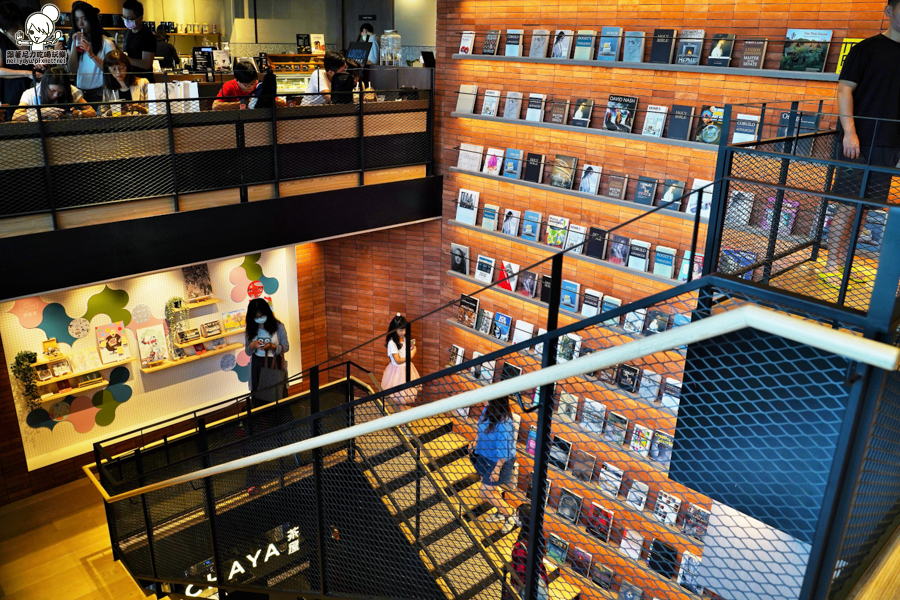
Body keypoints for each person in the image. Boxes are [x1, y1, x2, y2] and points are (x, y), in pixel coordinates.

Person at [820, 0, 900, 287]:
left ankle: (843, 265)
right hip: (858, 142)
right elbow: (844, 89)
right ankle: (830, 264)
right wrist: (850, 132)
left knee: (865, 207)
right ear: (889, 12)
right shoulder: (866, 49)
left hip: (890, 144)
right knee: (847, 204)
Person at [471, 396, 518, 533]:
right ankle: (500, 511)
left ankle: (510, 515)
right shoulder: (488, 409)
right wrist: (475, 441)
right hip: (484, 454)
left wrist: (497, 470)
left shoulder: (505, 423)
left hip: (499, 461)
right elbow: (481, 426)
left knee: (484, 492)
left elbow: (503, 451)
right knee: (490, 489)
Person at [66, 1, 114, 103]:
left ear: (92, 20)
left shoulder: (106, 43)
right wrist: (74, 46)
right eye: (77, 19)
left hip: (99, 93)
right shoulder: (76, 42)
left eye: (84, 19)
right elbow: (72, 69)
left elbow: (111, 70)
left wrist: (91, 54)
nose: (80, 24)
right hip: (80, 93)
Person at [245, 298, 289, 401]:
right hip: (257, 364)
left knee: (277, 393)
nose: (259, 319)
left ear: (267, 313)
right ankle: (261, 411)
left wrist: (273, 347)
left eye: (261, 316)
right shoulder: (251, 328)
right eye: (256, 317)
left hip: (275, 362)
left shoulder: (278, 326)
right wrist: (252, 345)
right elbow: (248, 352)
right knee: (259, 394)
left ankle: (279, 411)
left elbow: (286, 347)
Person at [13, 67, 96, 121]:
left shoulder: (72, 91)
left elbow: (92, 112)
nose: (56, 95)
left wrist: (78, 114)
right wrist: (41, 113)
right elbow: (16, 116)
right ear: (44, 86)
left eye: (60, 92)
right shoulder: (31, 94)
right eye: (52, 90)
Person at [508, 503, 550, 600]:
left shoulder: (520, 547)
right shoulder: (538, 537)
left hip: (525, 587)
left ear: (524, 520)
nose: (515, 517)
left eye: (517, 515)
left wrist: (515, 591)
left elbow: (520, 575)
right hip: (539, 579)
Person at [0, 2, 33, 121]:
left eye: (18, 26)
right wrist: (26, 73)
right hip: (13, 93)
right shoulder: (2, 41)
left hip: (34, 91)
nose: (16, 32)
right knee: (16, 122)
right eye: (11, 29)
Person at [380, 313, 420, 405]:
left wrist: (412, 349)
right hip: (397, 372)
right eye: (401, 330)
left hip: (407, 368)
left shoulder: (404, 338)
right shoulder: (392, 343)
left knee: (406, 395)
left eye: (404, 329)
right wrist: (410, 355)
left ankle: (402, 411)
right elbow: (397, 360)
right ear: (394, 330)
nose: (404, 332)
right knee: (397, 396)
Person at [100, 50, 148, 115]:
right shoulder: (108, 89)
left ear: (127, 66)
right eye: (114, 69)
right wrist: (110, 112)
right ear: (108, 70)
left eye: (121, 68)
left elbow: (153, 110)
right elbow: (102, 115)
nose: (118, 72)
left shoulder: (143, 83)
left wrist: (139, 109)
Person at [121, 0, 155, 82]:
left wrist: (124, 58)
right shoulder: (127, 33)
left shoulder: (147, 36)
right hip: (130, 79)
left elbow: (146, 64)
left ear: (140, 18)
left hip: (143, 80)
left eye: (129, 18)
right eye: (124, 17)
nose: (126, 21)